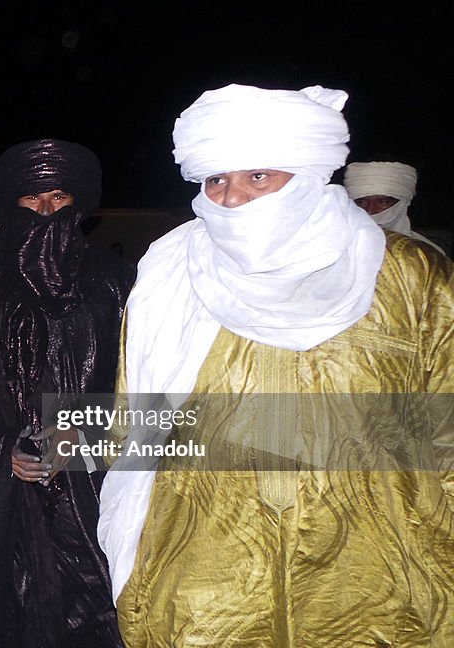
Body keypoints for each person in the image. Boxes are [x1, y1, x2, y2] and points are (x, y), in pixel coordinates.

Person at [97, 84, 454, 646]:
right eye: (217, 179)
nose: (232, 198)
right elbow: (135, 430)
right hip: (206, 579)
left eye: (257, 176)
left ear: (308, 172)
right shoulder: (171, 274)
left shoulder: (409, 276)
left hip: (376, 582)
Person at [0, 139, 132, 648]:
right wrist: (2, 447)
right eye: (32, 200)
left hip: (100, 492)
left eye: (59, 198)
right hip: (13, 498)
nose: (47, 212)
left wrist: (88, 433)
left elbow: (148, 387)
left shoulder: (115, 282)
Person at [344, 160, 445, 253]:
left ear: (403, 203)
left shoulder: (426, 254)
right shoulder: (334, 248)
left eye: (383, 202)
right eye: (361, 202)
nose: (370, 211)